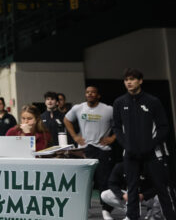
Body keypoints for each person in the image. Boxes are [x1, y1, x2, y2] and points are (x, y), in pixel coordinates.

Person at [112, 68, 176, 220]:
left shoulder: (153, 101)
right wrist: (126, 145)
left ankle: (170, 216)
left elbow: (163, 127)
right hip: (130, 153)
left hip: (152, 153)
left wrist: (151, 144)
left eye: (132, 79)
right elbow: (117, 127)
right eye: (126, 80)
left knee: (161, 187)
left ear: (140, 81)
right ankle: (132, 217)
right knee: (132, 188)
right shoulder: (119, 102)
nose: (129, 82)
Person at [64, 85, 116, 218]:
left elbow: (121, 123)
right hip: (85, 149)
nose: (90, 94)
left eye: (93, 92)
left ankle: (106, 210)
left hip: (103, 150)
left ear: (98, 95)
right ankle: (83, 208)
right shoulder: (78, 108)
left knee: (104, 182)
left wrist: (112, 138)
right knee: (84, 182)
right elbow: (66, 120)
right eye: (87, 92)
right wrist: (75, 136)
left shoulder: (108, 109)